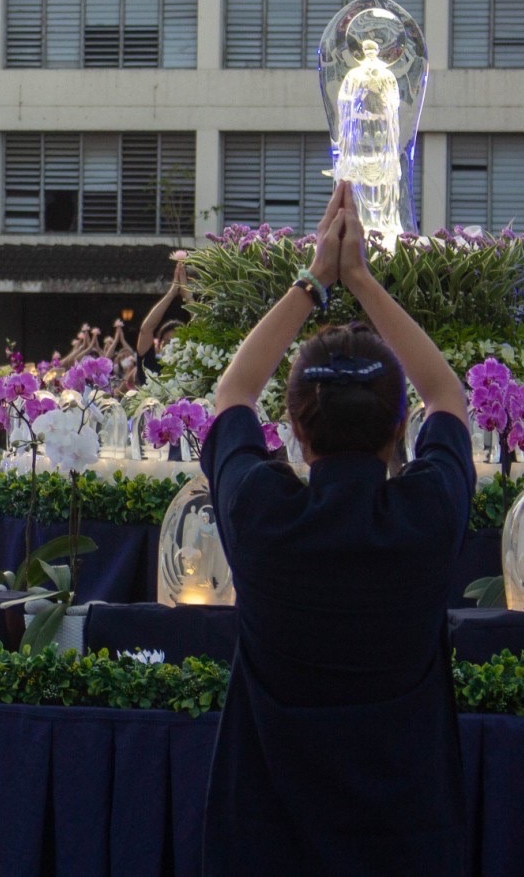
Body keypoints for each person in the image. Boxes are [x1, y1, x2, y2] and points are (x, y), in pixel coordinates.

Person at [202, 182, 472, 877]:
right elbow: (450, 395)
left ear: (293, 425)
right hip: (406, 839)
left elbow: (230, 395)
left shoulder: (264, 516)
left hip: (266, 841)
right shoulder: (424, 518)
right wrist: (362, 281)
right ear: (398, 427)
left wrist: (314, 280)